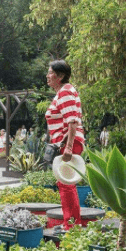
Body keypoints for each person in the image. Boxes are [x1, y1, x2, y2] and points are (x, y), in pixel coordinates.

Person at [46, 59, 85, 230]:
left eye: (50, 72)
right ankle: (70, 224)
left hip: (68, 144)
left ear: (60, 76)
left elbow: (72, 121)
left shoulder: (65, 92)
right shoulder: (63, 92)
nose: (47, 76)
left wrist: (68, 147)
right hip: (65, 143)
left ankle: (72, 226)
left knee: (66, 185)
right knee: (65, 184)